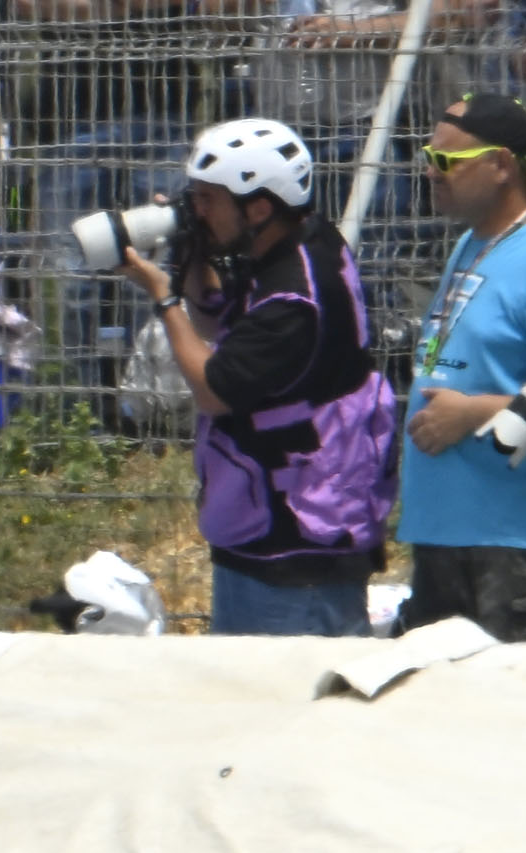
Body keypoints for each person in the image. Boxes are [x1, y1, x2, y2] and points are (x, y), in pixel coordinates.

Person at [107, 115, 399, 636]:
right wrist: (191, 254)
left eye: (207, 200)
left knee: (289, 707)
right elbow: (220, 315)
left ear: (259, 206)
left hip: (295, 553)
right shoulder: (303, 243)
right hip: (270, 529)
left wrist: (163, 297)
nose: (195, 210)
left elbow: (213, 388)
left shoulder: (294, 298)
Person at [392, 90, 526, 643]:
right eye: (428, 156)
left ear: (501, 166)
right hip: (448, 532)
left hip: (517, 544)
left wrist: (471, 414)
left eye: (448, 160)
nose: (431, 172)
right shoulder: (472, 243)